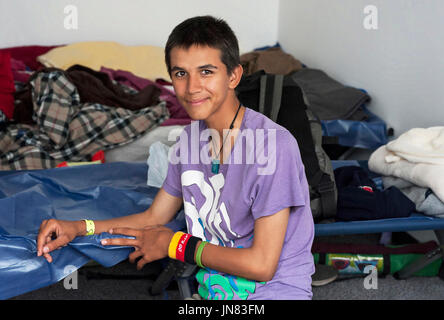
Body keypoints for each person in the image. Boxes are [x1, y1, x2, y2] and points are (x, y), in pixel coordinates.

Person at [36, 15, 315, 300]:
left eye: (206, 72)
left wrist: (175, 245)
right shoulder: (189, 140)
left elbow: (262, 265)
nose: (192, 87)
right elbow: (153, 217)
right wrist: (78, 227)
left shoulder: (273, 146)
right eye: (180, 73)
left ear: (233, 76)